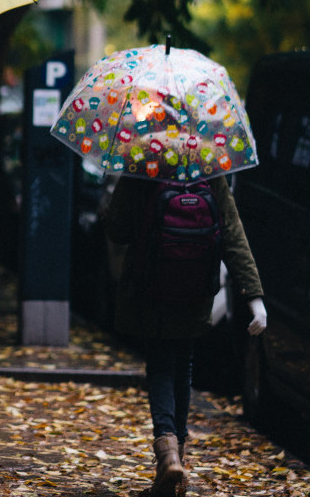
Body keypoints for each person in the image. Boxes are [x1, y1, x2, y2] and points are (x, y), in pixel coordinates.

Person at [103, 175, 267, 496]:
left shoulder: (143, 160)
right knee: (183, 362)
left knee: (161, 362)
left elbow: (117, 230)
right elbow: (233, 234)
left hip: (151, 285)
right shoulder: (209, 164)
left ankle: (168, 455)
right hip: (195, 286)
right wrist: (254, 297)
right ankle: (176, 460)